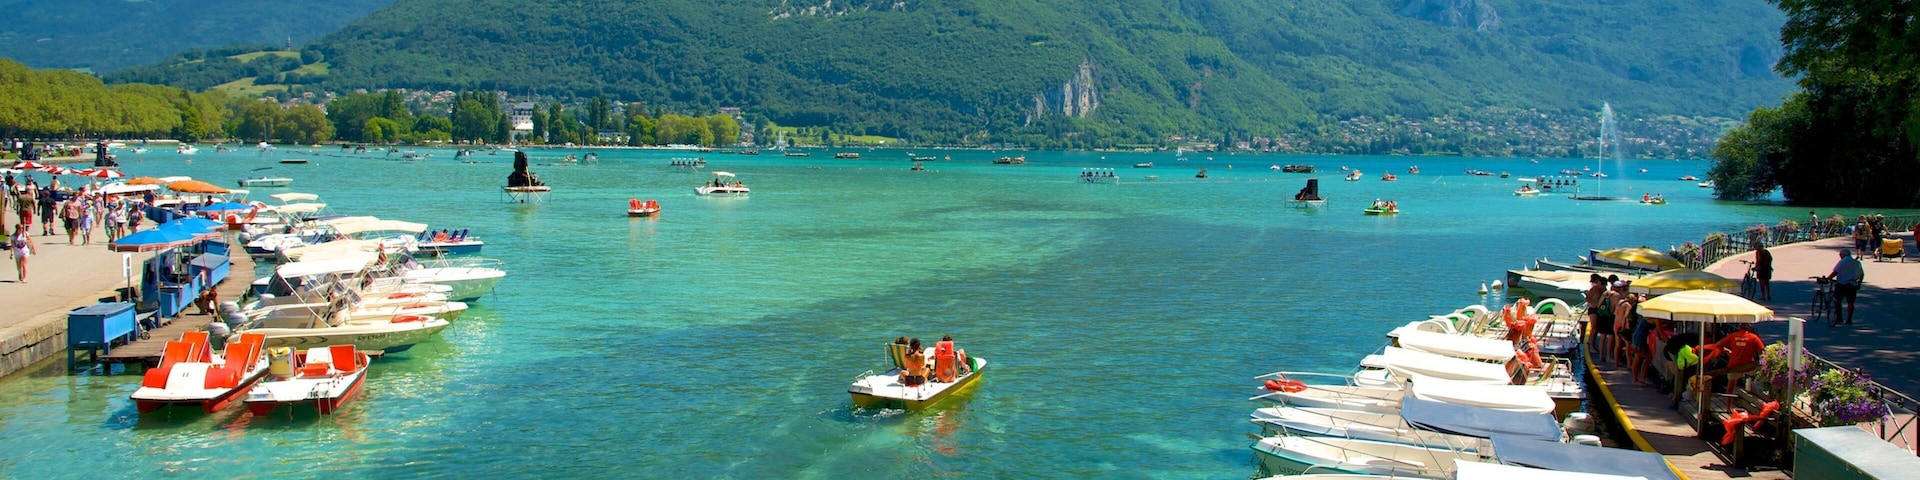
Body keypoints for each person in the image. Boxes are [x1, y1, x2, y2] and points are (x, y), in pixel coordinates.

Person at [1701, 324, 1765, 393]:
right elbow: (1762, 352)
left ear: (1739, 327)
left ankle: (1729, 400)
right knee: (1753, 381)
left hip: (1734, 366)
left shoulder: (1732, 336)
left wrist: (1727, 351)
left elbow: (1717, 345)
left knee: (1731, 387)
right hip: (1749, 367)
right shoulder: (1754, 337)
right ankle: (1750, 392)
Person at [1830, 248, 1865, 324]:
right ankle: (1849, 319)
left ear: (1842, 255)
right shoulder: (1856, 262)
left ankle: (1839, 317)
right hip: (1852, 284)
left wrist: (1828, 278)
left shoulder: (1842, 262)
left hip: (1841, 284)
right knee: (1850, 302)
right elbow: (1861, 274)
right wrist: (1859, 283)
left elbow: (1835, 272)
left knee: (1837, 301)